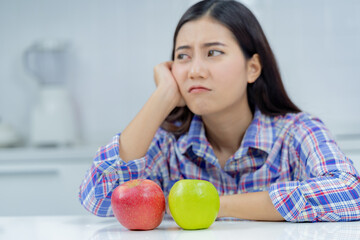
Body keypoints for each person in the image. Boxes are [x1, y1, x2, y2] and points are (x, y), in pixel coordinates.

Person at [79, 0, 360, 222]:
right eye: (183, 56)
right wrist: (161, 97)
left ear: (253, 68)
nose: (195, 71)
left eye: (213, 52)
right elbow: (98, 198)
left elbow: (351, 193)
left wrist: (213, 204)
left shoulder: (297, 131)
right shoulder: (168, 144)